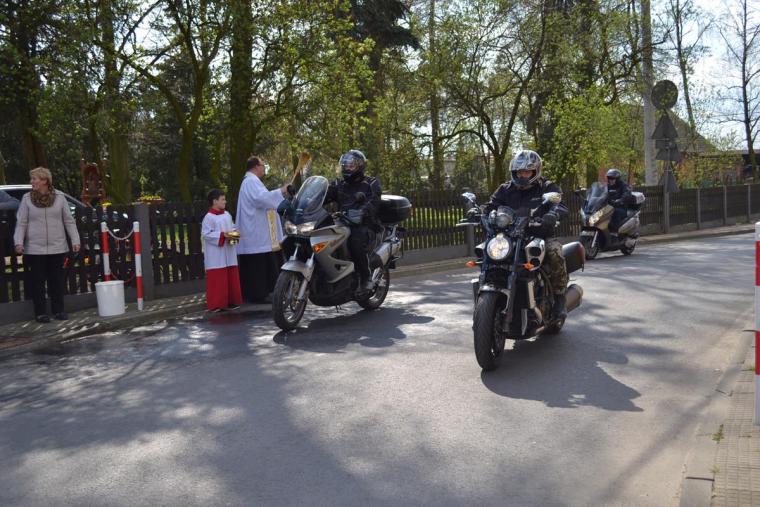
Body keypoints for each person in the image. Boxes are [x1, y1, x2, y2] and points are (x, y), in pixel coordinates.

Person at [485, 150, 569, 319]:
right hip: (509, 236)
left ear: (535, 171)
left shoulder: (547, 187)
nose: (522, 175)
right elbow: (491, 206)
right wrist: (479, 212)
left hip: (539, 235)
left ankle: (560, 297)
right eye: (519, 172)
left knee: (555, 253)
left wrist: (553, 214)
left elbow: (561, 205)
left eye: (526, 172)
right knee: (487, 252)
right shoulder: (505, 189)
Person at [13, 167, 81, 323]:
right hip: (35, 249)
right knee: (37, 281)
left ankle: (59, 311)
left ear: (44, 180)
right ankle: (41, 313)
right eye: (32, 179)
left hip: (57, 247)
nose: (32, 181)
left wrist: (75, 240)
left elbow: (69, 221)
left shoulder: (60, 197)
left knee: (56, 281)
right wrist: (18, 242)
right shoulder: (26, 198)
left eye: (34, 179)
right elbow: (21, 222)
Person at [324, 149, 382, 293]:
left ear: (360, 166)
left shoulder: (371, 183)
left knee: (355, 241)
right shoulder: (338, 183)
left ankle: (365, 277)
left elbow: (374, 202)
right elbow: (324, 196)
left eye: (351, 165)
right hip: (342, 222)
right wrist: (306, 201)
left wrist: (362, 211)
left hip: (364, 224)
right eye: (345, 165)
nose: (347, 168)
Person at [236, 156, 290, 303]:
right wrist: (281, 190)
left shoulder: (252, 181)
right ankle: (258, 294)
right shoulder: (251, 182)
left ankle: (264, 292)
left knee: (261, 263)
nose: (264, 168)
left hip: (258, 232)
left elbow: (265, 198)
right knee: (257, 265)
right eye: (262, 165)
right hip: (255, 232)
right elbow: (262, 199)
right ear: (255, 167)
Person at [202, 189, 243, 312]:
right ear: (215, 201)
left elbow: (232, 227)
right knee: (218, 279)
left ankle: (231, 301)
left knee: (230, 276)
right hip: (216, 254)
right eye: (223, 199)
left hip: (229, 251)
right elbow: (206, 234)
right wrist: (222, 235)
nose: (225, 201)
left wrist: (235, 234)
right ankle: (216, 304)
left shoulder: (227, 215)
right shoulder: (208, 217)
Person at [605, 168, 632, 232]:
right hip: (609, 207)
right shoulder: (606, 186)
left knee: (615, 212)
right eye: (609, 178)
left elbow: (627, 194)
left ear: (617, 179)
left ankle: (614, 232)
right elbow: (601, 194)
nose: (610, 180)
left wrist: (620, 200)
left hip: (621, 208)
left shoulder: (623, 185)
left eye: (612, 178)